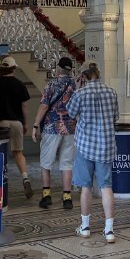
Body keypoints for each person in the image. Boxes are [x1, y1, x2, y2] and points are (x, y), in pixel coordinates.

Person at [67, 62, 119, 243]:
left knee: (86, 187)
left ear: (83, 77)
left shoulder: (80, 94)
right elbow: (115, 118)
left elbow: (71, 113)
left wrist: (77, 87)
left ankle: (85, 227)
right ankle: (109, 230)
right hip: (106, 146)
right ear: (98, 74)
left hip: (85, 146)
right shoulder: (111, 93)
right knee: (106, 186)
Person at [31, 56, 77, 210]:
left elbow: (44, 106)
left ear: (58, 68)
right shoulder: (74, 85)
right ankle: (67, 198)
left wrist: (36, 125)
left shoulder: (52, 84)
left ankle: (46, 196)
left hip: (51, 127)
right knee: (66, 162)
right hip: (70, 128)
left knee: (46, 162)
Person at [0, 56, 33, 198]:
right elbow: (25, 106)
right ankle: (25, 177)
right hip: (16, 122)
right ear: (14, 68)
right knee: (18, 152)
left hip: (1, 122)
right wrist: (25, 123)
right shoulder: (20, 84)